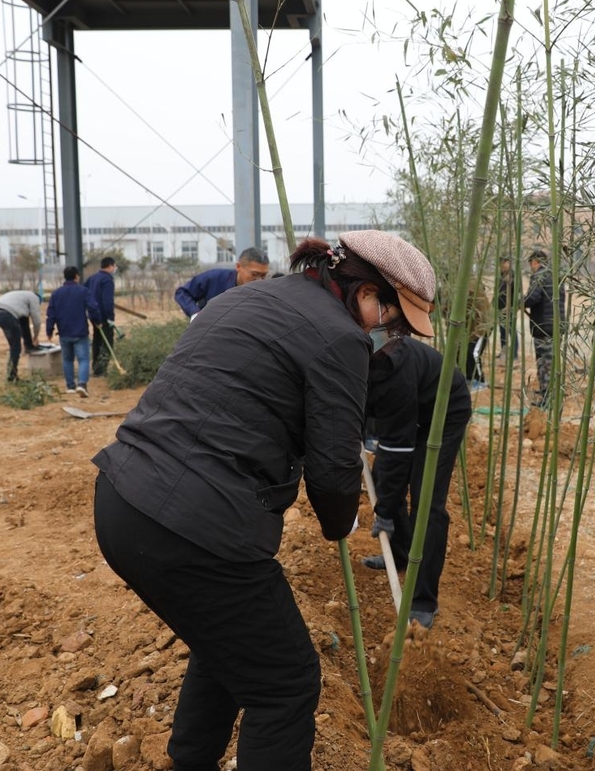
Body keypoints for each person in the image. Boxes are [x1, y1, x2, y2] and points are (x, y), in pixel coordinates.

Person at [91, 230, 435, 771]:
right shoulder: (338, 337)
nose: (382, 332)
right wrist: (340, 520)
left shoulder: (248, 297)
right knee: (286, 683)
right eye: (389, 319)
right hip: (194, 527)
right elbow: (331, 469)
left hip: (123, 500)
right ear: (367, 292)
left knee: (228, 648)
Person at [363, 334, 472, 629]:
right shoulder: (351, 365)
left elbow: (398, 452)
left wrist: (384, 511)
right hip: (414, 405)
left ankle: (424, 600)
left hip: (444, 411)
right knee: (381, 475)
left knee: (427, 501)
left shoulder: (392, 374)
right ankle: (399, 554)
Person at [46, 266, 102, 397]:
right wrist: (97, 321)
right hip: (80, 331)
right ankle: (82, 384)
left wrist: (49, 330)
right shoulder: (83, 291)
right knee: (83, 359)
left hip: (64, 331)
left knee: (67, 360)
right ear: (77, 276)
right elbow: (93, 307)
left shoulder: (56, 293)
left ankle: (70, 386)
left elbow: (51, 314)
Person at [174, 247, 270, 319]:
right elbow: (182, 293)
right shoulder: (214, 278)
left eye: (263, 275)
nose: (259, 280)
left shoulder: (266, 291)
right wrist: (195, 313)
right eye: (254, 274)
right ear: (238, 266)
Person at [523, 248, 565, 408]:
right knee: (551, 363)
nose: (531, 267)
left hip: (544, 328)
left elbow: (533, 297)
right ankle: (549, 394)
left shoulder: (540, 275)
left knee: (544, 365)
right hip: (555, 326)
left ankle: (548, 400)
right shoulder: (555, 276)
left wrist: (520, 300)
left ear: (535, 262)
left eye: (531, 264)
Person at [0, 289, 42, 382]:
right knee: (15, 347)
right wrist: (36, 336)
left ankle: (28, 346)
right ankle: (12, 376)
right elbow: (37, 320)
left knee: (22, 324)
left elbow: (24, 324)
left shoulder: (21, 297)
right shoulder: (34, 298)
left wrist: (29, 344)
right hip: (7, 314)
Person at [85, 256, 117, 377]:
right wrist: (110, 318)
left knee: (97, 340)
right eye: (114, 266)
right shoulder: (107, 280)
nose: (115, 268)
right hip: (104, 317)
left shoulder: (93, 278)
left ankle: (96, 368)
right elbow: (107, 301)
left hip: (94, 315)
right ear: (110, 266)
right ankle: (102, 369)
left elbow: (85, 292)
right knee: (107, 342)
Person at [464, 279, 492, 390]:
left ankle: (481, 380)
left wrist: (478, 332)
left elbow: (484, 315)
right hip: (470, 328)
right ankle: (469, 377)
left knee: (474, 353)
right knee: (462, 352)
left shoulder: (475, 291)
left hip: (482, 327)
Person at [496, 256, 519, 359]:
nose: (503, 266)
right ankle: (504, 352)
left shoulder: (513, 276)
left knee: (511, 331)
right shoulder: (500, 276)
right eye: (502, 263)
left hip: (509, 308)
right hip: (500, 308)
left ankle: (514, 354)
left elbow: (518, 292)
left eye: (505, 263)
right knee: (502, 331)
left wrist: (511, 282)